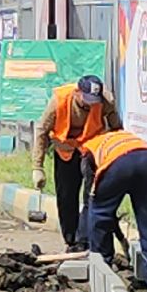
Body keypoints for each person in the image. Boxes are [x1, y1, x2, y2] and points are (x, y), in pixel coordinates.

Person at [76, 113, 147, 292]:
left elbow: (91, 197)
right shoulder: (126, 137)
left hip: (117, 166)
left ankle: (102, 267)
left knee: (99, 215)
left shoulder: (89, 149)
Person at [29, 74, 111, 252]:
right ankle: (71, 240)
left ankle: (86, 239)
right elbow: (42, 131)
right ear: (77, 92)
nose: (90, 104)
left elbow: (115, 125)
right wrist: (37, 167)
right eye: (87, 99)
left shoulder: (105, 101)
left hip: (90, 152)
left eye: (94, 100)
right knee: (66, 197)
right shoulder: (59, 101)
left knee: (92, 195)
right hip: (65, 152)